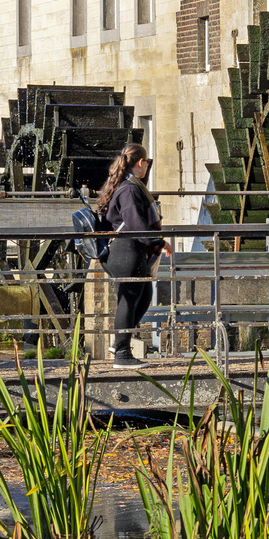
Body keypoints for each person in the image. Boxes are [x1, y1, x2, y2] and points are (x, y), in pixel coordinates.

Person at [97, 143, 167, 369]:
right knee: (128, 301)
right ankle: (123, 355)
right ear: (140, 163)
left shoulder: (128, 186)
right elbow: (135, 224)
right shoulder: (129, 189)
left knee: (144, 295)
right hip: (126, 252)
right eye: (147, 162)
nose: (147, 166)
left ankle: (120, 343)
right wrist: (159, 241)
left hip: (128, 251)